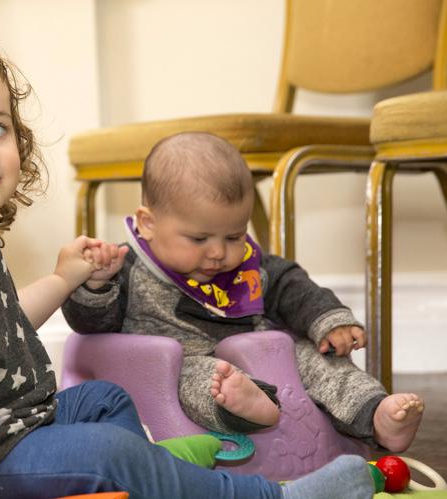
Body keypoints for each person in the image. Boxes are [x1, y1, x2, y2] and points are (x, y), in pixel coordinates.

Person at [0, 46, 375, 499]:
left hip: (7, 429)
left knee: (106, 399)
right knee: (109, 449)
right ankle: (264, 495)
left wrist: (64, 277)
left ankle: (148, 480)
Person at [63, 131, 424, 452]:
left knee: (319, 358)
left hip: (263, 353)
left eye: (234, 236)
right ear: (149, 223)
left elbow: (290, 287)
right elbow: (93, 327)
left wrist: (329, 322)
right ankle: (248, 410)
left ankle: (376, 413)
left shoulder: (250, 266)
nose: (219, 252)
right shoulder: (127, 267)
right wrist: (96, 284)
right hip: (180, 365)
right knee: (203, 381)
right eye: (199, 238)